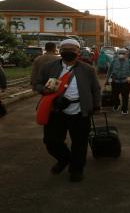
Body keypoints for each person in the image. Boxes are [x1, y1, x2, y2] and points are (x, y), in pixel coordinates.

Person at [33, 39, 101, 182]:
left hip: (79, 111)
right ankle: (65, 159)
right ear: (60, 51)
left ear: (78, 51)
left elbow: (95, 89)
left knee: (80, 143)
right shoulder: (48, 67)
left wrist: (96, 105)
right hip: (56, 109)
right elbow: (36, 83)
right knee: (51, 141)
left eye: (72, 49)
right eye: (65, 49)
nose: (68, 51)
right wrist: (43, 89)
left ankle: (76, 169)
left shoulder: (88, 69)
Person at [106, 49, 130, 115]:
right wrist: (107, 79)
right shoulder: (113, 61)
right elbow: (109, 71)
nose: (121, 54)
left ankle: (125, 109)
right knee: (115, 95)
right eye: (120, 53)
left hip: (125, 82)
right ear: (117, 54)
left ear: (126, 54)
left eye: (123, 53)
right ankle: (117, 104)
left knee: (125, 96)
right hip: (115, 81)